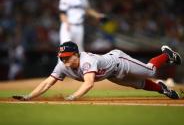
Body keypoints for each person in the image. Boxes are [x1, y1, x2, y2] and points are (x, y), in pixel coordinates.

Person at [12, 41, 182, 101]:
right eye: (62, 57)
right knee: (140, 85)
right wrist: (29, 96)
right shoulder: (62, 65)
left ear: (77, 54)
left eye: (67, 57)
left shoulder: (86, 61)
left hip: (118, 61)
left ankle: (166, 55)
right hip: (111, 74)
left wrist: (73, 97)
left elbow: (89, 84)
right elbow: (47, 83)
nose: (64, 60)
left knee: (151, 71)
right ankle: (163, 89)